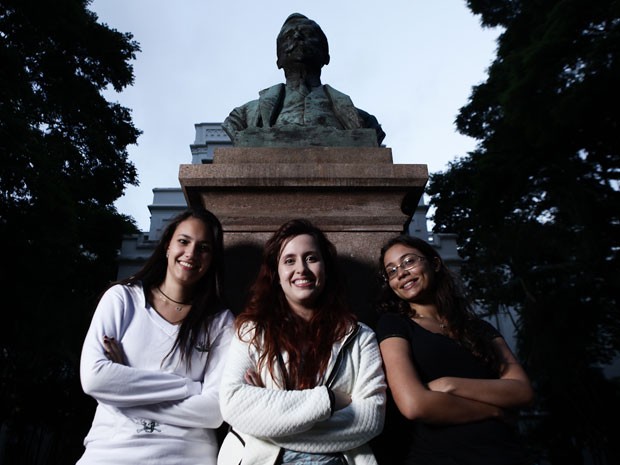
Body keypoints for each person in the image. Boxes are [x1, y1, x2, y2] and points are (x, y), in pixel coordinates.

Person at [218, 219, 386, 465]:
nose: (301, 269)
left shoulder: (361, 338)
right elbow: (233, 405)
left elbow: (370, 419)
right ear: (276, 275)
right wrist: (328, 401)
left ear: (325, 269)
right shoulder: (251, 331)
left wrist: (268, 416)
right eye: (289, 260)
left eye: (311, 258)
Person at [77, 207, 235, 465]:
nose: (191, 254)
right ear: (167, 247)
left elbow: (214, 411)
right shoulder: (123, 299)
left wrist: (122, 391)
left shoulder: (220, 322)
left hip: (185, 456)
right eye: (183, 241)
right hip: (110, 452)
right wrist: (189, 387)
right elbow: (95, 379)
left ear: (212, 258)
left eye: (203, 248)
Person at [374, 235, 537, 465]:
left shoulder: (479, 328)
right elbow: (414, 405)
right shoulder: (394, 324)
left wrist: (448, 385)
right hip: (440, 456)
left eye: (409, 261)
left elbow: (522, 391)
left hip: (506, 454)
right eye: (391, 271)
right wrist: (494, 411)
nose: (401, 273)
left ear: (435, 263)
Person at [222, 13, 385, 147]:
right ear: (278, 59)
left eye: (308, 35)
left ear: (326, 56)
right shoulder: (243, 117)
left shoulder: (366, 122)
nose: (298, 37)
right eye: (288, 37)